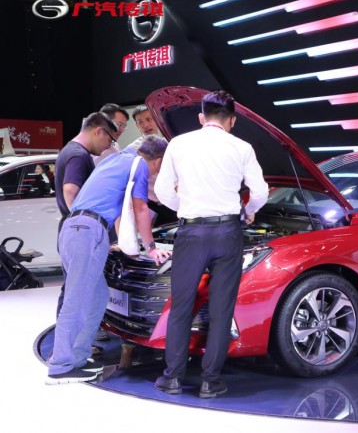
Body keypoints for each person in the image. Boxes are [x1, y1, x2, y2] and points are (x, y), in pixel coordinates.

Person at [154, 90, 268, 399]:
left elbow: (162, 191)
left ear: (201, 118)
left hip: (191, 232)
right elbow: (260, 192)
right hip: (228, 232)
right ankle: (210, 381)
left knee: (181, 306)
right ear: (232, 120)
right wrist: (247, 211)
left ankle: (172, 377)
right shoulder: (242, 147)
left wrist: (186, 208)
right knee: (221, 309)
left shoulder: (179, 144)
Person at [46, 130, 171, 384]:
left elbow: (116, 205)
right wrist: (150, 247)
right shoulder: (139, 165)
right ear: (158, 161)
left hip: (76, 228)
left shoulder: (117, 159)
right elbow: (140, 208)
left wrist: (117, 242)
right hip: (87, 231)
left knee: (97, 296)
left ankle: (78, 357)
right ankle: (60, 365)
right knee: (77, 298)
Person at [54, 112, 119, 317]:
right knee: (76, 293)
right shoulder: (79, 155)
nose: (108, 146)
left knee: (73, 288)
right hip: (79, 232)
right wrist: (82, 225)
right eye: (110, 140)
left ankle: (65, 334)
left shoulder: (69, 150)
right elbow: (70, 190)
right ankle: (66, 336)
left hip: (71, 230)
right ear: (99, 131)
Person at [126, 105, 177, 225]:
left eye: (149, 119)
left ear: (157, 119)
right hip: (150, 205)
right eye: (140, 122)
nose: (145, 125)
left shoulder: (171, 143)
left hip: (172, 201)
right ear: (137, 126)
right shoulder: (131, 150)